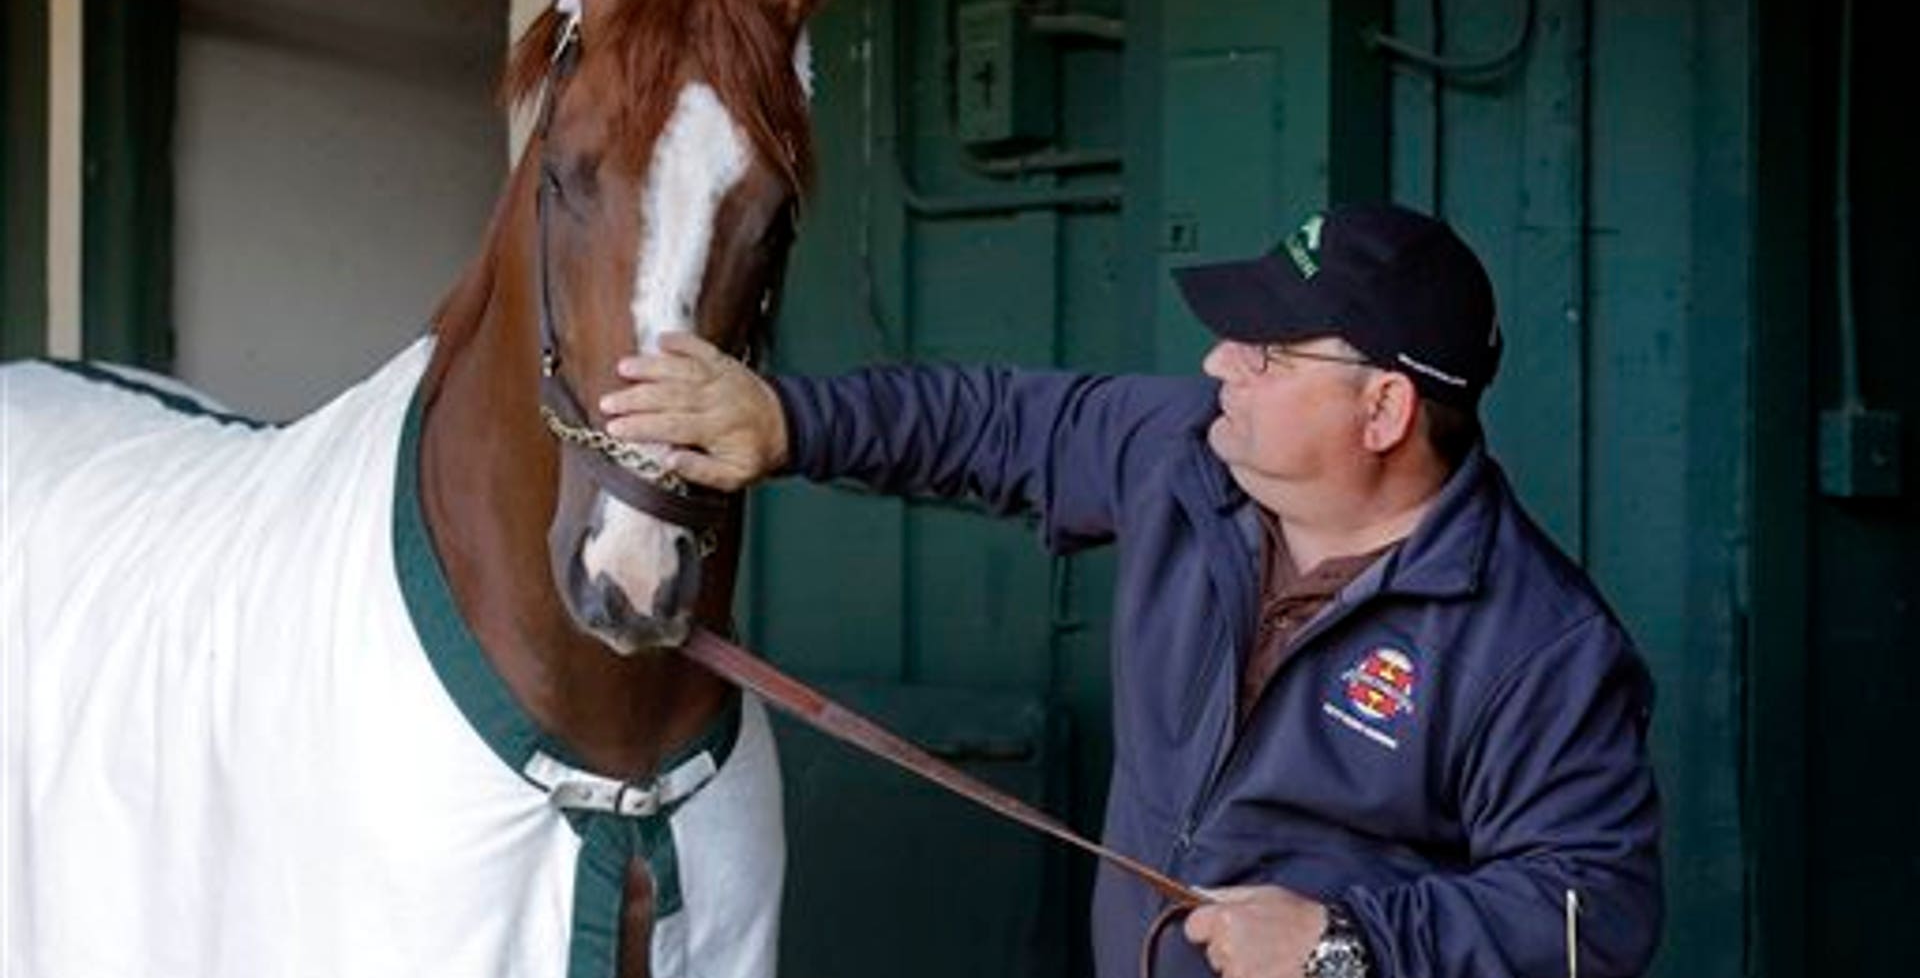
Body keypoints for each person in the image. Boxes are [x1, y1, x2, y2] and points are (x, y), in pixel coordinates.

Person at [598, 204, 1663, 978]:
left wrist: (1344, 944)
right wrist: (789, 424)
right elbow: (996, 425)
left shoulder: (1542, 646)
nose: (1219, 363)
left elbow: (1595, 909)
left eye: (1269, 353)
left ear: (1382, 411)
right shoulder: (1187, 457)